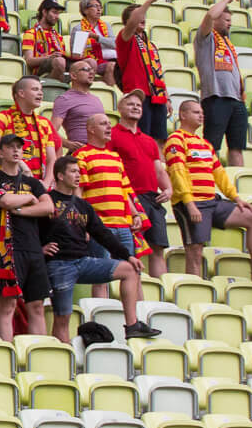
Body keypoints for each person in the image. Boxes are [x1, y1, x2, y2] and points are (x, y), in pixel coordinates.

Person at [43, 156, 163, 343]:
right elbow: (30, 229)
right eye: (73, 172)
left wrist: (127, 256)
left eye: (78, 172)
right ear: (60, 176)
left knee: (130, 269)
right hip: (60, 264)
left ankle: (132, 325)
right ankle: (64, 354)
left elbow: (102, 234)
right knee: (63, 318)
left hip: (83, 261)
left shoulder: (82, 205)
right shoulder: (47, 200)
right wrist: (40, 248)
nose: (78, 176)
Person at [166, 99, 252, 282]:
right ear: (183, 115)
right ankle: (195, 286)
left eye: (202, 113)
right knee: (195, 251)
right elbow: (177, 172)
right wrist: (189, 203)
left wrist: (235, 198)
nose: (201, 115)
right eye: (196, 112)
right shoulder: (176, 139)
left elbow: (219, 173)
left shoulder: (205, 144)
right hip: (192, 203)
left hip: (212, 201)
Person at [0, 134, 53, 339]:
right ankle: (7, 350)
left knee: (37, 306)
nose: (15, 150)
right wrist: (29, 198)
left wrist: (20, 210)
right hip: (7, 250)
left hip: (34, 248)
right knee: (7, 304)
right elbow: (2, 201)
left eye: (19, 147)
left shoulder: (33, 182)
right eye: (10, 147)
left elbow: (48, 207)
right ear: (0, 152)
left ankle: (38, 350)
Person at [107, 91, 170, 279]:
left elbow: (159, 170)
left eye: (138, 105)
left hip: (152, 198)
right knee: (130, 248)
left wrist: (168, 189)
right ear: (119, 109)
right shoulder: (112, 135)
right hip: (129, 198)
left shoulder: (149, 140)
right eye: (130, 104)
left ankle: (160, 289)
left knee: (158, 248)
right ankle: (132, 288)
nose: (135, 107)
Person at [75, 113, 143, 255]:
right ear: (91, 129)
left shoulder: (115, 157)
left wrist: (135, 215)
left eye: (109, 124)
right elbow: (78, 194)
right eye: (103, 124)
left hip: (123, 225)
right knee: (104, 266)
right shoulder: (81, 155)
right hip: (99, 226)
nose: (108, 127)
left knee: (128, 266)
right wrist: (82, 225)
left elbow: (124, 190)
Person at [194, 0, 248, 167]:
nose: (229, 24)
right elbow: (210, 15)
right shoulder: (206, 38)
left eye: (230, 20)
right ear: (216, 20)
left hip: (236, 100)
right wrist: (226, 0)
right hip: (216, 97)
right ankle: (209, 177)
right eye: (226, 20)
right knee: (211, 145)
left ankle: (237, 179)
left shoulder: (227, 43)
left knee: (237, 147)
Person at [0, 76, 59, 186]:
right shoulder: (2, 118)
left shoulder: (45, 123)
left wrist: (45, 184)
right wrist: (16, 163)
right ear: (21, 93)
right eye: (35, 89)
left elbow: (52, 159)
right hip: (7, 186)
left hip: (38, 187)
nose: (41, 93)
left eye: (41, 90)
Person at [116, 0, 170, 145]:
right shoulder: (125, 38)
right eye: (139, 14)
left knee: (159, 139)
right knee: (141, 136)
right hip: (138, 94)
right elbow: (134, 21)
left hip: (157, 96)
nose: (143, 17)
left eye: (144, 15)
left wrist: (166, 97)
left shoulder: (150, 45)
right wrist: (150, 0)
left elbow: (157, 72)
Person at [50, 58, 104, 150]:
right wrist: (68, 144)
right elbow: (51, 131)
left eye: (92, 70)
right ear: (73, 75)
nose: (91, 73)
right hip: (80, 151)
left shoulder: (97, 99)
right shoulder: (64, 99)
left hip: (100, 150)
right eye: (86, 70)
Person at [69, 0, 115, 79]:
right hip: (92, 61)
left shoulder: (106, 26)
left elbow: (115, 44)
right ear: (85, 10)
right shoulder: (78, 29)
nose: (99, 9)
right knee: (111, 66)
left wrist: (97, 38)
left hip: (112, 58)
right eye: (95, 6)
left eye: (100, 7)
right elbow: (75, 54)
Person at [21, 0, 67, 80]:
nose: (57, 17)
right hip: (40, 71)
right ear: (44, 12)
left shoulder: (58, 36)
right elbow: (29, 61)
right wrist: (49, 57)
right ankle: (51, 85)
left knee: (87, 62)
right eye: (54, 12)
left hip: (61, 66)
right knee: (59, 61)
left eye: (58, 13)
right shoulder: (30, 33)